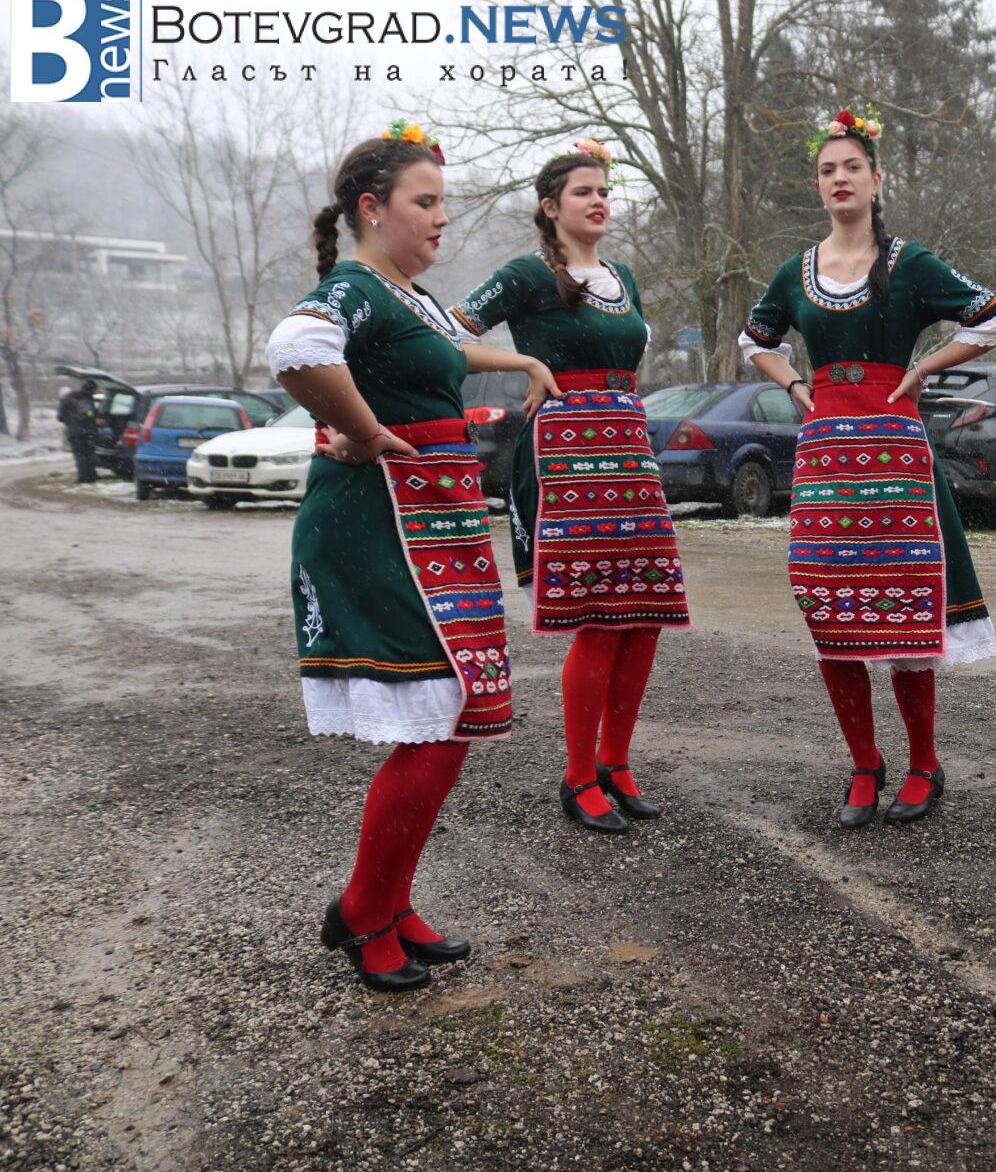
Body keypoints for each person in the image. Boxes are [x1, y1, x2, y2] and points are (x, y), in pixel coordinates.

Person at [265, 121, 559, 993]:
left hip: (434, 527)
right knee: (435, 724)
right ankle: (363, 908)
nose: (441, 218)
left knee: (456, 720)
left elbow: (444, 347)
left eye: (442, 203)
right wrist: (363, 431)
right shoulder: (355, 287)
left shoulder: (403, 294)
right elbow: (295, 349)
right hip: (383, 526)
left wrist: (522, 358)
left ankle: (389, 901)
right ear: (372, 208)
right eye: (424, 203)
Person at [741, 109, 996, 828]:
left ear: (875, 179)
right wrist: (795, 385)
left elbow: (994, 319)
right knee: (827, 602)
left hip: (895, 452)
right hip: (825, 456)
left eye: (851, 167)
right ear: (818, 185)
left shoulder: (910, 264)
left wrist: (923, 367)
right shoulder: (795, 270)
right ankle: (865, 764)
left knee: (902, 604)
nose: (839, 178)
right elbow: (756, 339)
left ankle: (924, 763)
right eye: (827, 170)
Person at [453, 139, 690, 835]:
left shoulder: (624, 277)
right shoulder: (527, 274)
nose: (598, 201)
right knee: (598, 615)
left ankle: (617, 762)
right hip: (565, 454)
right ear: (551, 207)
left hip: (628, 450)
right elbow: (445, 333)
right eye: (584, 191)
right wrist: (525, 363)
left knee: (644, 611)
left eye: (604, 192)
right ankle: (578, 774)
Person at [59, 378, 101, 483]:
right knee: (89, 454)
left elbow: (60, 417)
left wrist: (69, 422)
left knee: (79, 456)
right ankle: (91, 476)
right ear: (92, 389)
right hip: (88, 432)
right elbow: (90, 414)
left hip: (74, 432)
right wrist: (94, 418)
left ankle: (83, 477)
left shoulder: (67, 398)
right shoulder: (87, 398)